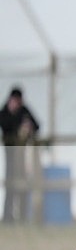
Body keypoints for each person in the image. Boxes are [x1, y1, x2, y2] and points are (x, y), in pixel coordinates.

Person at [0, 87, 40, 223]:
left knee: (23, 186)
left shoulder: (24, 111)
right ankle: (8, 217)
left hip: (23, 156)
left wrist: (28, 126)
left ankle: (22, 216)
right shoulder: (5, 111)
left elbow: (37, 125)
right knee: (10, 186)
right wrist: (12, 114)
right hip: (10, 155)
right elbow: (5, 125)